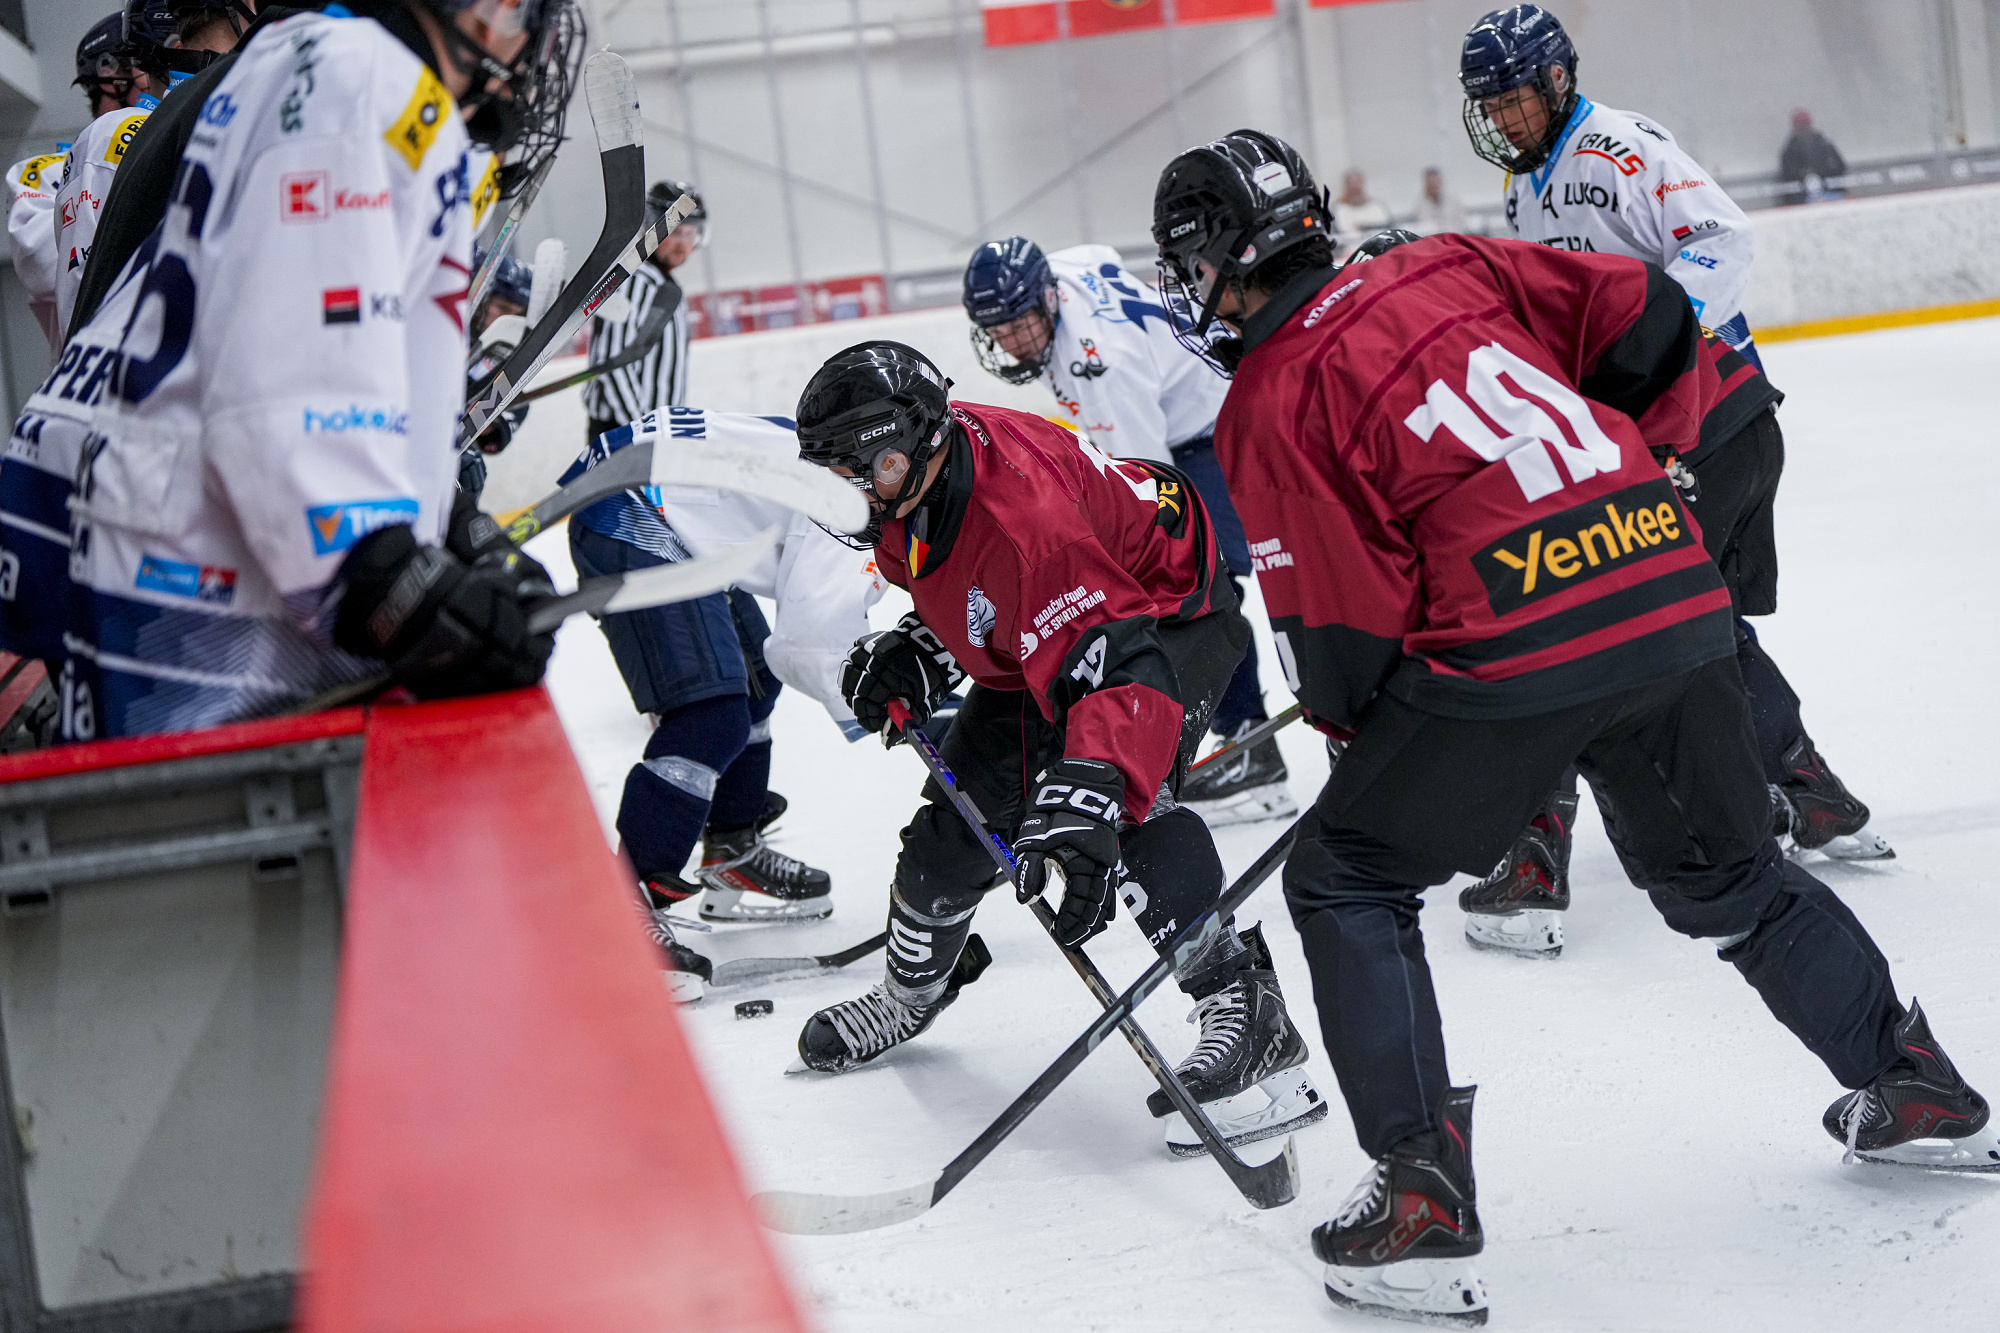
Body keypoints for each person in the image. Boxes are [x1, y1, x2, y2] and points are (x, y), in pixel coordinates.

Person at [1152, 128, 1995, 1326]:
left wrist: (1374, 742)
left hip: (1508, 640)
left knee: (1345, 875)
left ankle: (1419, 1199)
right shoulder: (1441, 261)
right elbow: (1651, 310)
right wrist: (1650, 463)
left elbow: (1341, 642)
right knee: (1729, 875)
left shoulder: (1266, 398)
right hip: (1661, 586)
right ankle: (1914, 1087)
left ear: (1214, 262)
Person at [787, 341, 1326, 1157]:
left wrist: (1087, 792)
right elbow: (982, 589)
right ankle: (912, 994)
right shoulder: (907, 488)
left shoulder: (1023, 522)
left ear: (918, 445)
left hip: (1161, 619)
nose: (851, 491)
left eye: (867, 470)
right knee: (950, 841)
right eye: (835, 474)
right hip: (1060, 620)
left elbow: (1116, 668)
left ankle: (1250, 1016)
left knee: (1127, 808)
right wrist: (926, 645)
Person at [10, 0, 584, 740]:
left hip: (160, 547)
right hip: (210, 605)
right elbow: (286, 401)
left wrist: (444, 522)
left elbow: (282, 341)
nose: (529, 40)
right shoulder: (365, 79)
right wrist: (389, 581)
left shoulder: (300, 59)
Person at [1455, 3, 1888, 948]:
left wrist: (1646, 361)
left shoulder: (1616, 149)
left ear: (1558, 81)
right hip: (1686, 431)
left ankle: (1535, 856)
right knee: (1696, 624)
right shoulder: (1526, 187)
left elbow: (1722, 239)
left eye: (1517, 98)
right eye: (1492, 105)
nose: (1506, 119)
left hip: (1707, 425)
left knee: (1580, 615)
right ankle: (1810, 795)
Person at [960, 236, 1293, 826]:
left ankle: (1251, 748)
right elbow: (1101, 254)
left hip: (1213, 429)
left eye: (1019, 325)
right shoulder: (1064, 272)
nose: (1010, 342)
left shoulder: (1101, 365)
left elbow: (1146, 485)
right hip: (1194, 414)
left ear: (1047, 298)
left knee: (1190, 586)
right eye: (998, 331)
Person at [558, 406, 884, 999]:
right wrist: (902, 720)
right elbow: (810, 643)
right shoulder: (856, 507)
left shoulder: (863, 458)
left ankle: (732, 848)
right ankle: (624, 905)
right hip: (631, 507)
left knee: (754, 681)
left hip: (659, 492)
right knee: (709, 715)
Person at [580, 181, 704, 442]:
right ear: (652, 227)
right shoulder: (636, 281)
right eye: (675, 232)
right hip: (623, 434)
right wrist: (643, 429)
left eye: (691, 233)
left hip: (650, 434)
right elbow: (612, 364)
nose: (683, 244)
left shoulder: (661, 283)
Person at [458, 248, 534, 498]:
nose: (508, 320)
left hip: (447, 456)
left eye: (515, 312)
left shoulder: (508, 364)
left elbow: (492, 437)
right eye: (501, 307)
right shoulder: (441, 335)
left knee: (469, 471)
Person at [1779, 109, 1846, 202]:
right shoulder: (1789, 152)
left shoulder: (1825, 146)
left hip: (1831, 193)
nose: (1803, 129)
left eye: (1805, 125)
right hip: (1802, 199)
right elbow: (1788, 176)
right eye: (1800, 126)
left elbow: (1840, 167)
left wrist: (1822, 175)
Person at [1330, 170, 1390, 258]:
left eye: (1358, 184)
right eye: (1351, 185)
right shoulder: (1338, 210)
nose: (1355, 188)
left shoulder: (1376, 207)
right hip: (1351, 256)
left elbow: (1388, 230)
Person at [1410, 166, 1466, 235]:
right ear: (1425, 185)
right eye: (1430, 183)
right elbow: (1422, 226)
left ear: (1440, 182)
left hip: (1453, 236)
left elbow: (1461, 223)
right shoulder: (1419, 205)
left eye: (1435, 182)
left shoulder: (1454, 201)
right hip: (1431, 238)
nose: (1433, 185)